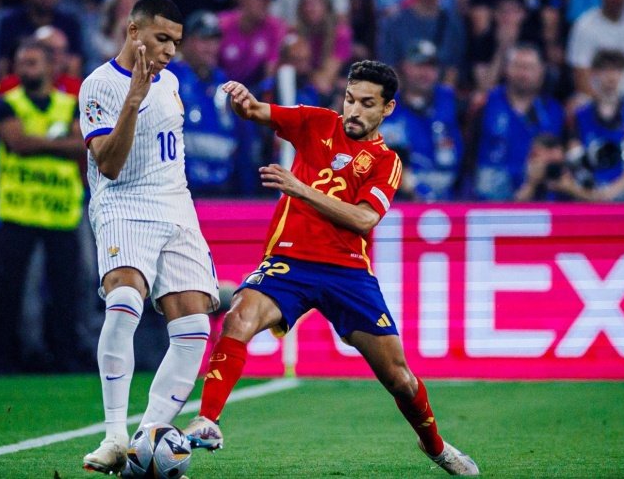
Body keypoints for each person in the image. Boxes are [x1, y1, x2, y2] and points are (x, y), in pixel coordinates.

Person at [183, 60, 480, 476]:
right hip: (289, 261)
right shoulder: (316, 123)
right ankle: (208, 420)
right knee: (239, 317)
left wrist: (301, 190)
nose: (354, 111)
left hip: (348, 273)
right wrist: (243, 102)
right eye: (350, 99)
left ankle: (436, 447)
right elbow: (256, 112)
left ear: (387, 109)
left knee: (399, 379)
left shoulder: (385, 161)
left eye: (366, 104)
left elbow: (363, 219)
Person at [78, 0, 219, 474]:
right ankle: (115, 434)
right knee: (126, 299)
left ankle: (149, 435)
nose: (170, 51)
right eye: (162, 39)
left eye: (176, 43)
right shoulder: (98, 86)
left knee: (195, 326)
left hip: (175, 206)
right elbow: (110, 166)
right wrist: (133, 101)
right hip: (123, 204)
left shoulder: (174, 82)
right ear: (133, 31)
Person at [0, 39, 86, 373]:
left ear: (50, 67)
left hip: (60, 211)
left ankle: (64, 355)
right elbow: (17, 142)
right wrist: (60, 143)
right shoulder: (6, 103)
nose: (24, 69)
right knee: (10, 289)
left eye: (32, 62)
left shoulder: (69, 103)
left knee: (65, 289)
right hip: (21, 210)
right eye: (21, 62)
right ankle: (5, 356)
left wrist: (39, 143)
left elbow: (81, 145)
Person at [555, 49, 624, 202]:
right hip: (590, 195)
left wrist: (612, 191)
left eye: (617, 70)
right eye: (605, 70)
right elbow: (575, 157)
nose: (611, 77)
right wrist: (592, 193)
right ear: (594, 74)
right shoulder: (577, 117)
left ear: (623, 74)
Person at [473, 43, 564, 201]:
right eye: (518, 66)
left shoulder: (554, 111)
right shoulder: (486, 104)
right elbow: (469, 150)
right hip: (490, 198)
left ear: (541, 70)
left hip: (539, 198)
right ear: (507, 69)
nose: (523, 74)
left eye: (529, 67)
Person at [381, 40, 463, 202]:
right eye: (419, 66)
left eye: (431, 67)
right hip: (404, 199)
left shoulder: (453, 102)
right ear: (404, 67)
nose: (425, 73)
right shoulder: (386, 109)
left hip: (453, 197)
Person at [167, 10, 238, 196]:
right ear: (185, 42)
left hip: (222, 189)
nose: (211, 47)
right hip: (181, 191)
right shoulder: (169, 79)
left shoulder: (225, 83)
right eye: (203, 40)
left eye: (214, 40)